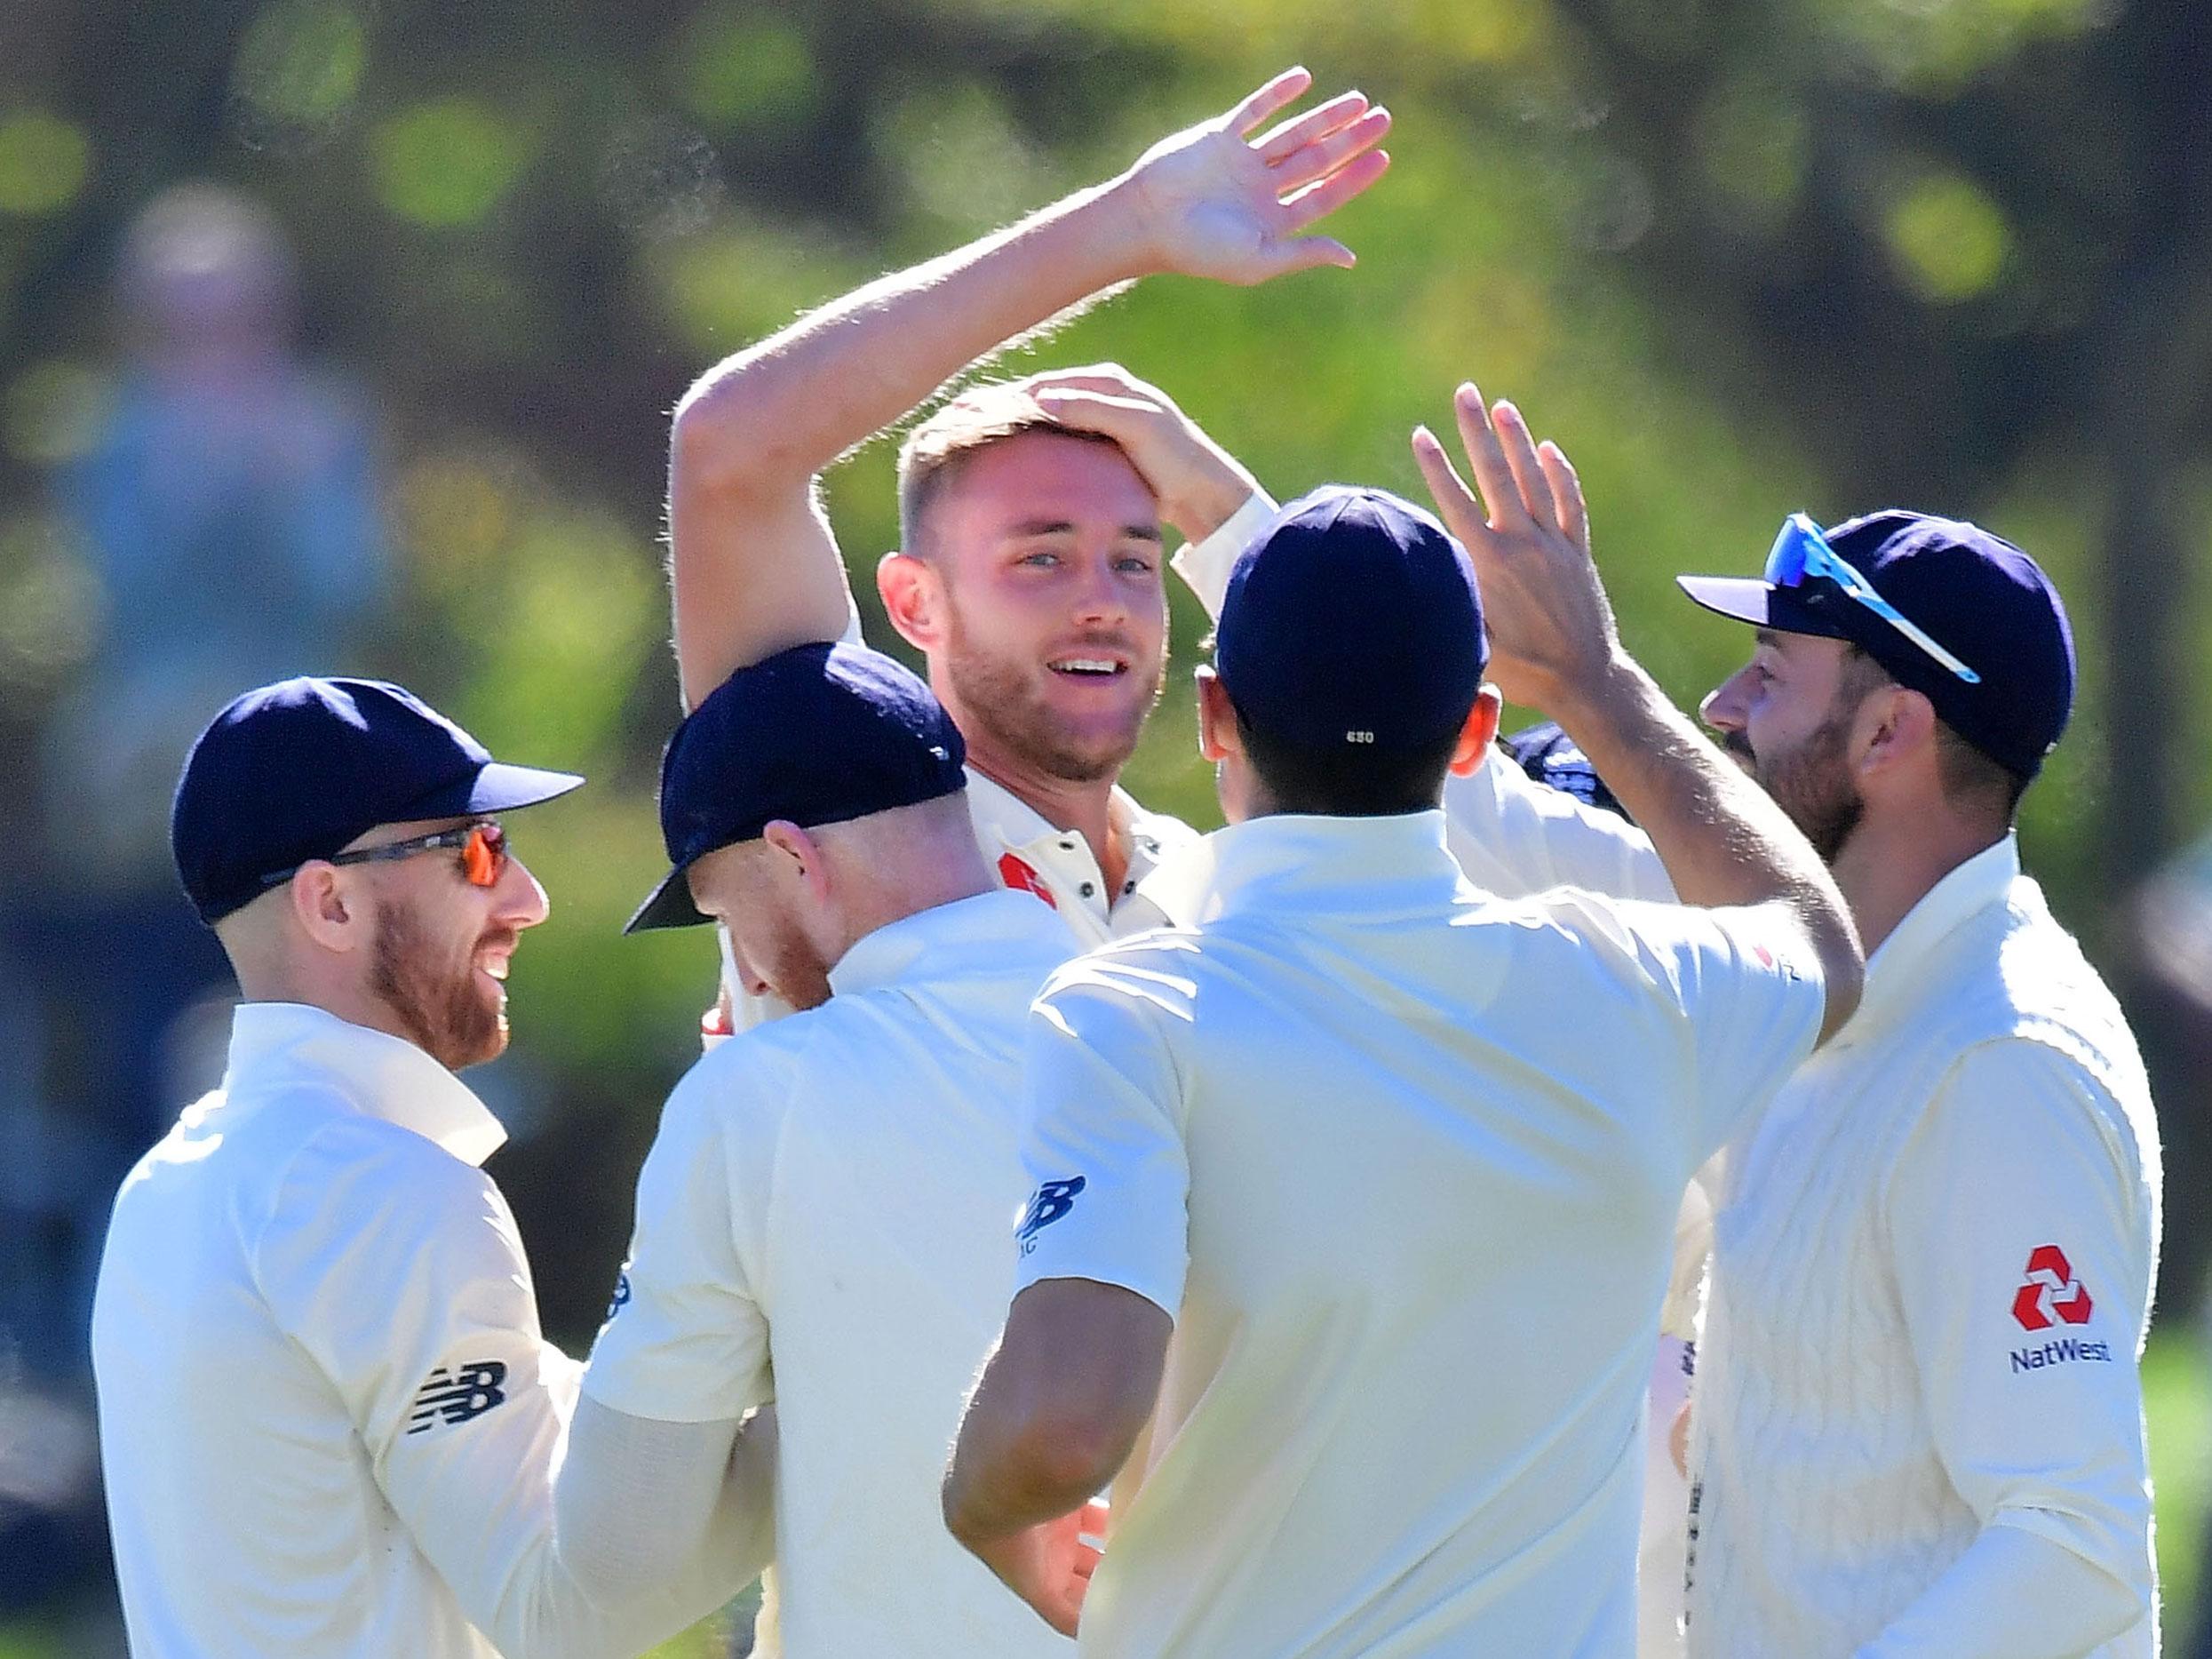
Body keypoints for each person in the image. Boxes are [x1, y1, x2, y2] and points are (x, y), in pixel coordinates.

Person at [942, 483, 1864, 1654]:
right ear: (1475, 730)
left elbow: (1062, 1428)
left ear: (1216, 716)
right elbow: (1821, 948)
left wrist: (981, 1505)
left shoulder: (1133, 1014)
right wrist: (1600, 684)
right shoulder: (1633, 986)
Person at [1410, 385, 2161, 1655]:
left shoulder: (1999, 1059)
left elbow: (2073, 1539)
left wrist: (1596, 681)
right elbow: (1494, 826)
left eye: (1767, 676)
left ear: (1886, 729)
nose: (1720, 709)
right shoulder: (1830, 995)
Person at [663, 67, 1389, 996]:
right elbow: (729, 448)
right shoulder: (846, 827)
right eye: (1040, 557)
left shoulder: (1223, 883)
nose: (1102, 603)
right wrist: (1130, 229)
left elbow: (1416, 734)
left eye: (1134, 560)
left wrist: (1220, 505)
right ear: (914, 601)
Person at [91, 677, 768, 1659]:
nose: (528, 898)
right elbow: (557, 1611)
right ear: (330, 902)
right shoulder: (379, 1190)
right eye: (478, 850)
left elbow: (573, 1449)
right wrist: (848, 1415)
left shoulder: (173, 1177)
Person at [578, 642, 1099, 1654]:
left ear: (794, 858)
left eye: (730, 917)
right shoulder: (1173, 1015)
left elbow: (614, 1549)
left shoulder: (756, 1099)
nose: (745, 967)